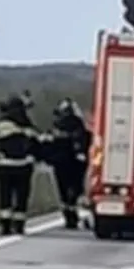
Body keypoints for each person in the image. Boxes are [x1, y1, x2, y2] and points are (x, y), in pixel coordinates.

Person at [0, 93, 45, 235]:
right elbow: (39, 145)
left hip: (5, 165)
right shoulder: (28, 126)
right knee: (22, 195)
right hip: (24, 166)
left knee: (5, 195)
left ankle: (5, 226)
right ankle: (19, 225)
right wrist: (38, 157)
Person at [46, 98, 93, 229]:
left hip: (60, 164)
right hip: (76, 164)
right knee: (76, 189)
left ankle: (69, 217)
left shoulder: (56, 126)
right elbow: (86, 142)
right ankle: (74, 214)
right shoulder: (79, 126)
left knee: (63, 191)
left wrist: (49, 159)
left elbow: (49, 145)